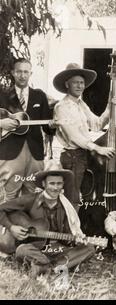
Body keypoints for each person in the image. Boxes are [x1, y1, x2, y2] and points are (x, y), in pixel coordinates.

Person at [0, 160, 95, 278]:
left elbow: (66, 238)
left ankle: (46, 267)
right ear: (44, 184)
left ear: (63, 184)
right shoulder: (30, 200)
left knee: (89, 248)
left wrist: (76, 239)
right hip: (34, 249)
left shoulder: (66, 207)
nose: (56, 188)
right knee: (22, 250)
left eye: (59, 184)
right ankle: (58, 266)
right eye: (52, 183)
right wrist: (11, 227)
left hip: (56, 250)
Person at [52, 63, 116, 206]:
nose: (79, 86)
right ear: (67, 84)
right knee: (72, 198)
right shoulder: (61, 107)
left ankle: (79, 226)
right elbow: (73, 136)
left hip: (83, 155)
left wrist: (109, 106)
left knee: (84, 196)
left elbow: (97, 124)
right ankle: (69, 228)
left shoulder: (81, 104)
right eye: (75, 82)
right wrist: (97, 148)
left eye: (82, 83)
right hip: (72, 157)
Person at [0, 58, 55, 204]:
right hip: (10, 155)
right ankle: (5, 227)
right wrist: (1, 123)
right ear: (12, 73)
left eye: (26, 72)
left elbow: (47, 127)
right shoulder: (2, 94)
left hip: (34, 153)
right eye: (19, 71)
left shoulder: (39, 96)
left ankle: (28, 227)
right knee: (8, 197)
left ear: (31, 73)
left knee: (33, 196)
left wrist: (53, 125)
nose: (22, 75)